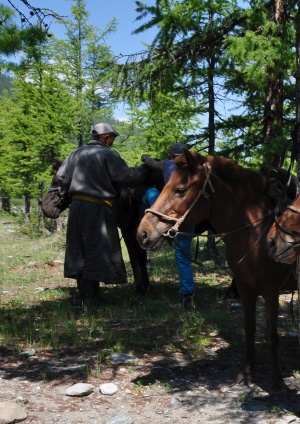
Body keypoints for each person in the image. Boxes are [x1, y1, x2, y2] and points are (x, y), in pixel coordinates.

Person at [54, 123, 151, 306]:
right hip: (98, 207)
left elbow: (61, 178)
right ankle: (92, 298)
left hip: (76, 209)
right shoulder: (108, 154)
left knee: (80, 248)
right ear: (106, 137)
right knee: (97, 249)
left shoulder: (75, 153)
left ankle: (85, 294)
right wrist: (143, 171)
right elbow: (127, 178)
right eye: (112, 137)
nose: (113, 141)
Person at [141, 143, 196, 309]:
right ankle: (188, 292)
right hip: (186, 218)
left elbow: (151, 163)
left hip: (169, 214)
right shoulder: (195, 170)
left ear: (171, 155)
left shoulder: (168, 165)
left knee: (149, 193)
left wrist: (145, 157)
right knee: (183, 256)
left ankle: (147, 224)